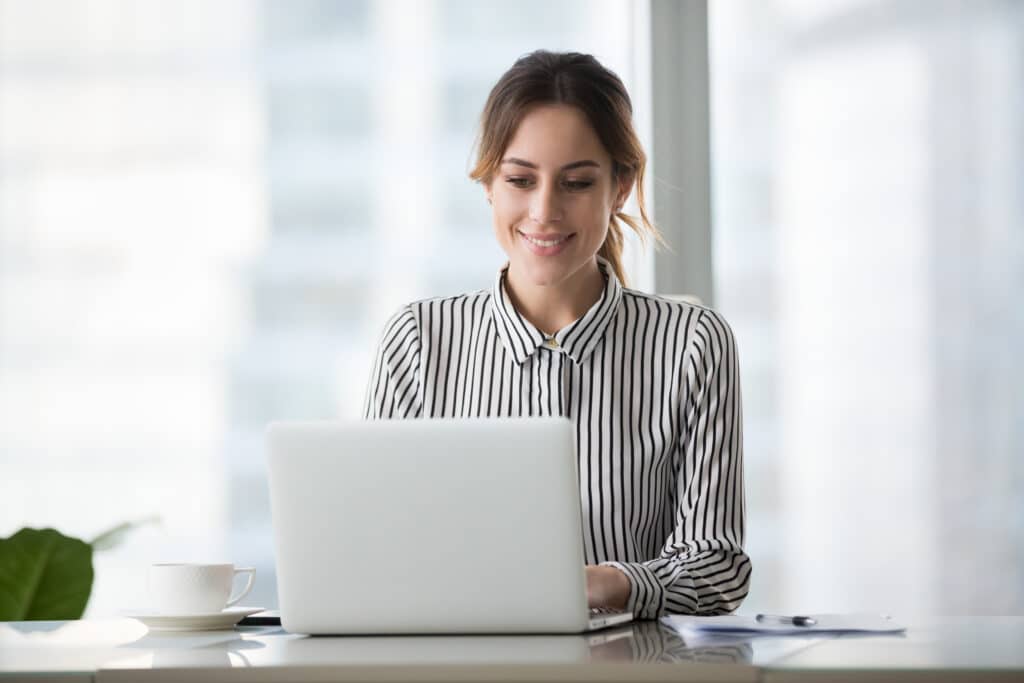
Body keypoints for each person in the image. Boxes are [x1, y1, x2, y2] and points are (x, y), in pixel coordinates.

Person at [364, 50, 750, 618]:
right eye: (520, 179)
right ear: (489, 186)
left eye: (575, 182)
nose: (544, 210)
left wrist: (612, 583)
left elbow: (716, 566)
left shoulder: (693, 343)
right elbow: (378, 549)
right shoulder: (418, 341)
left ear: (619, 188)